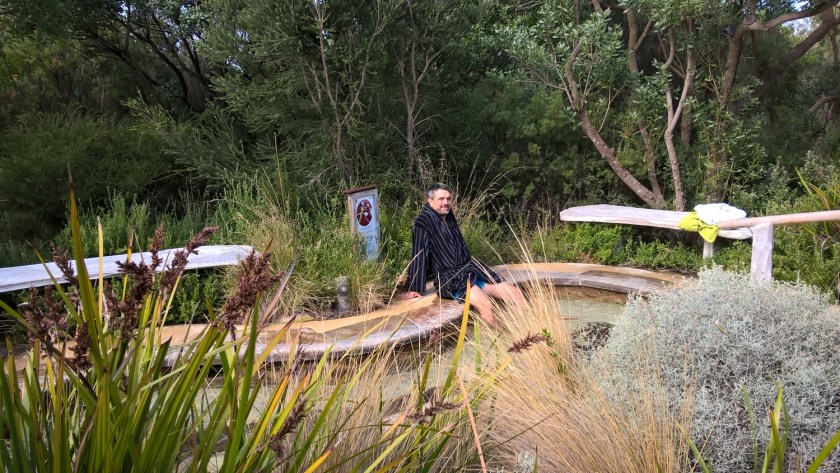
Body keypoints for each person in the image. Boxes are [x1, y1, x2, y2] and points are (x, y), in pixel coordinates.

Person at [401, 183, 524, 325]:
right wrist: (415, 287)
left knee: (516, 294)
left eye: (448, 199)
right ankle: (499, 342)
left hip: (472, 268)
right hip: (451, 278)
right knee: (486, 305)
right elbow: (419, 254)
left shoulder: (447, 214)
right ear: (430, 200)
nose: (446, 203)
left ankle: (532, 329)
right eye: (441, 199)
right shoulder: (423, 222)